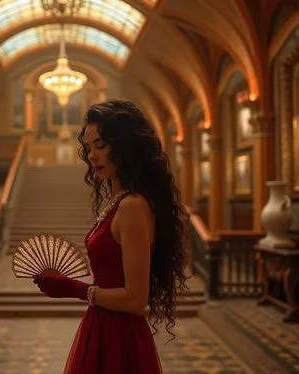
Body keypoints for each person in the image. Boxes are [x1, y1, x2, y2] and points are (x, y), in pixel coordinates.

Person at [33, 99, 189, 373]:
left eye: (101, 146)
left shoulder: (132, 206)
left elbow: (135, 300)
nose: (92, 156)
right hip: (102, 322)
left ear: (126, 147)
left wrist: (75, 289)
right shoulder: (118, 200)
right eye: (89, 147)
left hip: (119, 332)